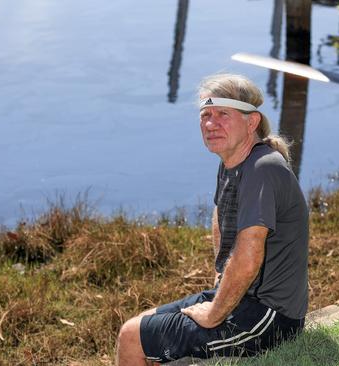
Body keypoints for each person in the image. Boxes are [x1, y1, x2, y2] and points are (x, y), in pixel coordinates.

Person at [116, 74, 309, 365]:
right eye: (205, 115)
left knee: (132, 337)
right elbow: (220, 214)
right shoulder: (232, 162)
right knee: (142, 323)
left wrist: (214, 313)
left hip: (270, 317)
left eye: (222, 114)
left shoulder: (262, 169)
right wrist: (220, 275)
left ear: (251, 122)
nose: (210, 123)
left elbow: (248, 257)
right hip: (245, 298)